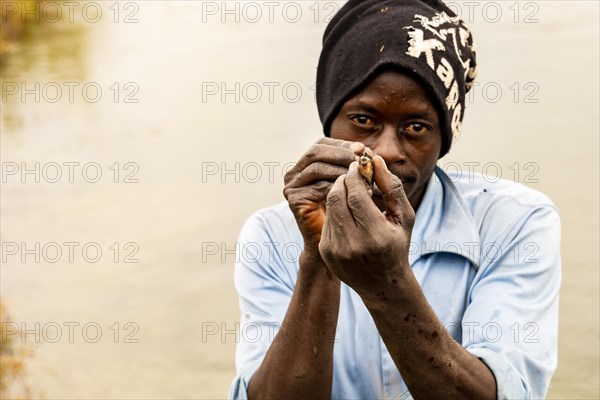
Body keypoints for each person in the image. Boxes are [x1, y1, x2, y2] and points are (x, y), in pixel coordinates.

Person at [229, 0, 561, 398]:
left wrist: (387, 281)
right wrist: (319, 258)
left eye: (416, 127)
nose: (385, 151)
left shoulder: (515, 222)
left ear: (443, 141)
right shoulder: (269, 235)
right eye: (364, 119)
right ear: (329, 121)